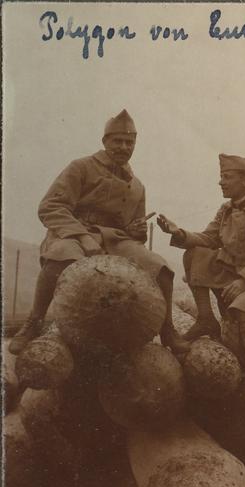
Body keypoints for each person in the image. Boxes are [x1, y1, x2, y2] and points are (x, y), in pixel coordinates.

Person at [9, 110, 190, 355]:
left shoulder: (137, 186)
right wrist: (82, 236)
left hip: (115, 239)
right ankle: (34, 322)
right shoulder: (81, 167)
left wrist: (136, 231)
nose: (123, 147)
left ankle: (167, 329)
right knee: (62, 256)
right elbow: (50, 206)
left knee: (161, 269)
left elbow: (135, 235)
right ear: (105, 142)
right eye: (117, 141)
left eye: (129, 142)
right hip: (74, 232)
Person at [156, 154, 245, 397]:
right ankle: (205, 319)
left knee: (243, 306)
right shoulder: (227, 209)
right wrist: (178, 232)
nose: (221, 182)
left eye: (226, 177)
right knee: (195, 253)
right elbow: (208, 239)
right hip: (239, 271)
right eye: (221, 177)